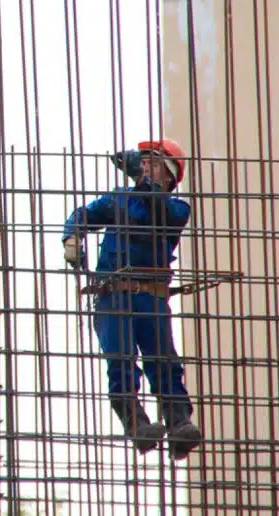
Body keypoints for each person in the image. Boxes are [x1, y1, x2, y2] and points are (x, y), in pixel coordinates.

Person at [61, 137, 203, 461]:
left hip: (150, 298)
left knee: (163, 360)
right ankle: (136, 424)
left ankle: (179, 422)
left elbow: (160, 210)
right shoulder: (119, 200)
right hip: (113, 297)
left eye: (152, 162)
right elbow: (85, 213)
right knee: (121, 361)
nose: (144, 167)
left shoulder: (176, 208)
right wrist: (73, 235)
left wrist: (141, 179)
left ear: (169, 174)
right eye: (143, 161)